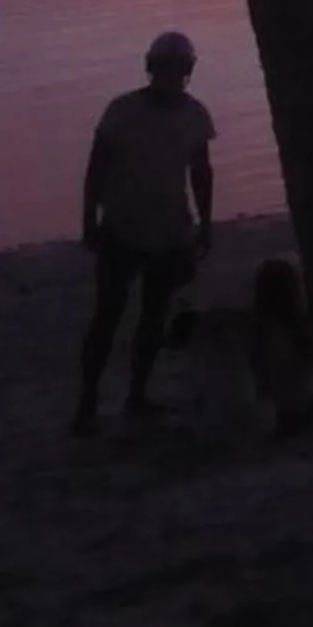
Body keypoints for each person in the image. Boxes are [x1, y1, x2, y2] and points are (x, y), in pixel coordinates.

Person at [73, 30, 217, 435]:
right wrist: (89, 217)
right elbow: (96, 168)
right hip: (123, 226)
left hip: (169, 228)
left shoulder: (194, 116)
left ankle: (135, 395)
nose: (173, 74)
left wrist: (205, 223)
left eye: (178, 68)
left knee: (152, 316)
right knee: (108, 316)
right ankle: (87, 404)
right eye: (167, 67)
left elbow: (201, 174)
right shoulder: (121, 110)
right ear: (154, 68)